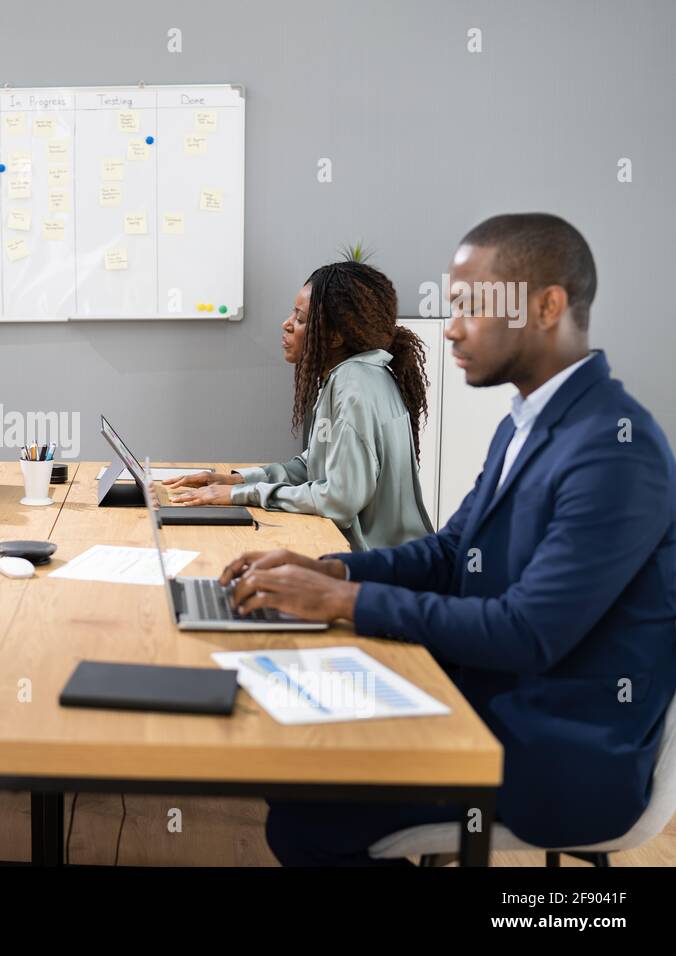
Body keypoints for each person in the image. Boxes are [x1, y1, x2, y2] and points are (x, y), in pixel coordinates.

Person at [220, 214, 676, 865]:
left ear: (547, 306)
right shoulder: (524, 423)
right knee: (293, 769)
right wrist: (333, 570)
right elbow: (448, 553)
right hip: (497, 705)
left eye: (469, 306)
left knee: (307, 815)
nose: (452, 326)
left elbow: (528, 631)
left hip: (561, 757)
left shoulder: (614, 452)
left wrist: (342, 604)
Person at [165, 261, 433, 551]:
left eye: (301, 318)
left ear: (336, 336)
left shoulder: (353, 386)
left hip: (386, 570)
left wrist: (245, 494)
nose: (287, 324)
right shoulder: (353, 375)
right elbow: (312, 466)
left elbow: (338, 501)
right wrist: (234, 480)